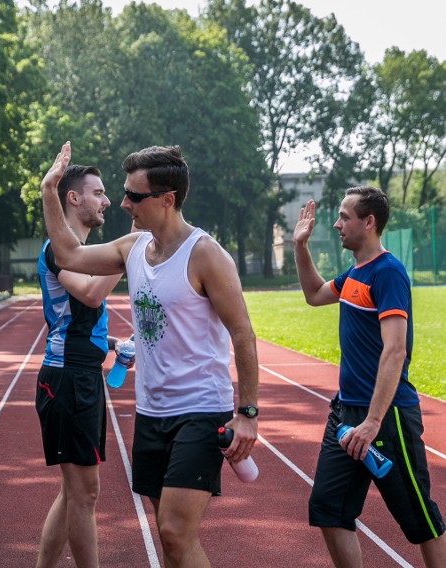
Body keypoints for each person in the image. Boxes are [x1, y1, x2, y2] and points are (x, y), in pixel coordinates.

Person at [40, 142, 259, 568]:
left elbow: (243, 334)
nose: (122, 203)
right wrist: (50, 192)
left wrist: (247, 412)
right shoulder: (132, 247)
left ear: (167, 199)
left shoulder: (206, 254)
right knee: (168, 536)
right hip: (152, 412)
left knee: (177, 533)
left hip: (200, 410)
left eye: (133, 196)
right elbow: (67, 255)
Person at [293, 188, 446, 567]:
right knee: (329, 508)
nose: (336, 223)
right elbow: (314, 294)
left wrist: (373, 421)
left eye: (345, 216)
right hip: (345, 415)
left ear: (369, 221)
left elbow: (396, 350)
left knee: (418, 517)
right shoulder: (355, 274)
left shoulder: (388, 272)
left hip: (387, 418)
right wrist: (300, 245)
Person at [34, 164, 125, 567]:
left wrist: (107, 342)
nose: (106, 201)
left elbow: (68, 319)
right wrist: (129, 253)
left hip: (77, 373)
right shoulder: (60, 248)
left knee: (73, 492)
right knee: (85, 493)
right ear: (74, 198)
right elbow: (89, 294)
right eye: (99, 193)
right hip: (68, 378)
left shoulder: (79, 249)